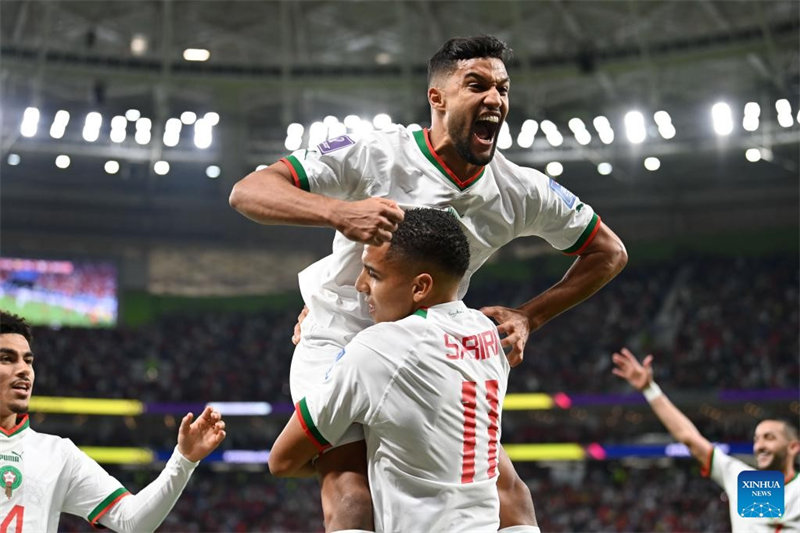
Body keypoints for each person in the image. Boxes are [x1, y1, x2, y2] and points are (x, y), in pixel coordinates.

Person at [231, 35, 628, 531]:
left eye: (503, 89)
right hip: (340, 339)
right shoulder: (374, 153)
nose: (495, 99)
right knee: (352, 490)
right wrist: (339, 212)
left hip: (429, 344)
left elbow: (609, 252)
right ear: (436, 98)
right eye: (477, 85)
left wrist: (531, 316)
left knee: (509, 495)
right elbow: (249, 191)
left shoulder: (519, 189)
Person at [270, 208, 511, 531]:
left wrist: (317, 331)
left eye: (374, 274)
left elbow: (282, 461)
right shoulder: (485, 331)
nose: (360, 285)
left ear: (420, 287)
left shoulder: (377, 349)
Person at [0, 310, 227, 533]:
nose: (24, 370)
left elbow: (131, 521)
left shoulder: (57, 455)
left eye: (28, 361)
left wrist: (183, 460)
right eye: (7, 359)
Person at [612, 347, 799, 532]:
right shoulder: (743, 482)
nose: (759, 446)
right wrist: (649, 390)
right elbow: (690, 438)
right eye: (756, 439)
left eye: (769, 438)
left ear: (793, 447)